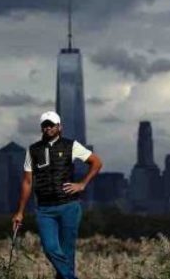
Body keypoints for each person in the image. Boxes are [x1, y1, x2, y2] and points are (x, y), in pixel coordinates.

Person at [12, 111, 103, 279]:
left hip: (69, 206)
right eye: (45, 125)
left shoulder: (71, 145)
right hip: (45, 209)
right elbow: (27, 182)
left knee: (68, 252)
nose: (48, 128)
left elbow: (96, 163)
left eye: (52, 125)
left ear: (59, 127)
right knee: (50, 248)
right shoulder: (33, 150)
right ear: (41, 128)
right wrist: (20, 212)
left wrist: (82, 184)